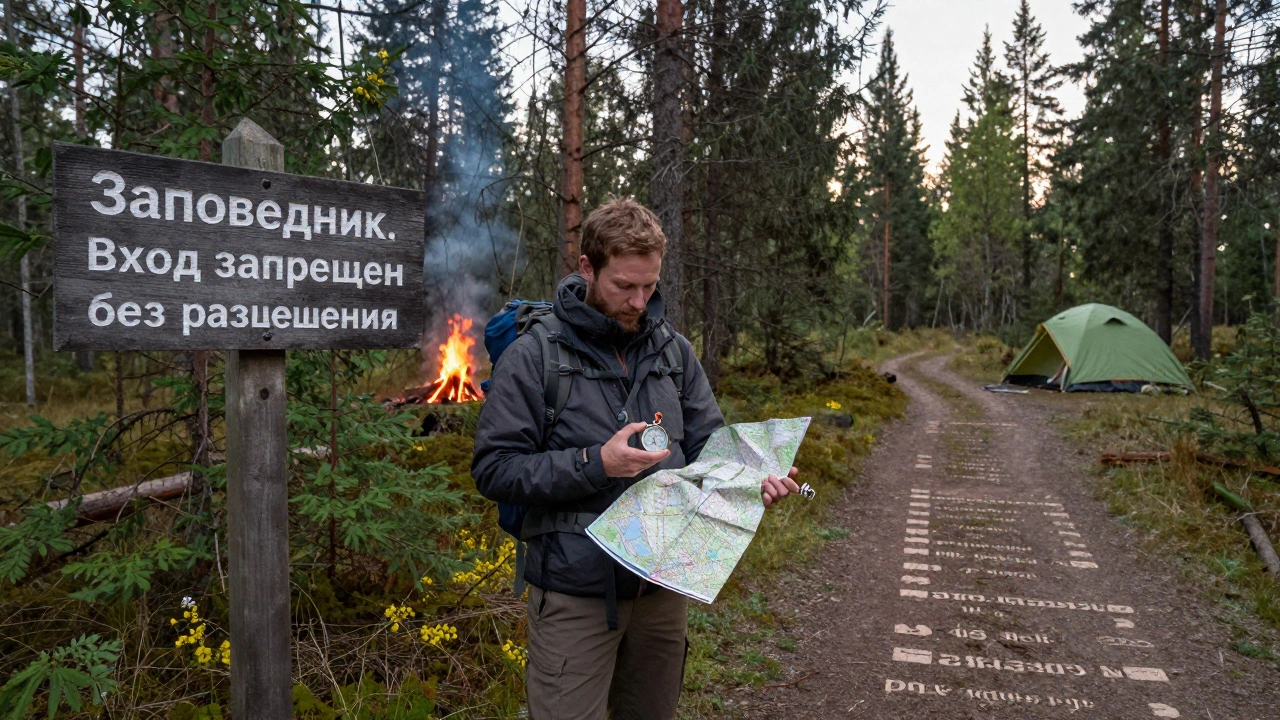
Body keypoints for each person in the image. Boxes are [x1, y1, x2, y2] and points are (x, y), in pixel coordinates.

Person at [472, 198, 801, 720]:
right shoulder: (534, 357)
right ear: (587, 268)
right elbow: (494, 469)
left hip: (662, 587)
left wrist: (751, 476)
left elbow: (710, 449)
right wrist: (595, 462)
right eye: (624, 286)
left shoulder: (673, 352)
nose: (638, 301)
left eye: (649, 286)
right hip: (573, 593)